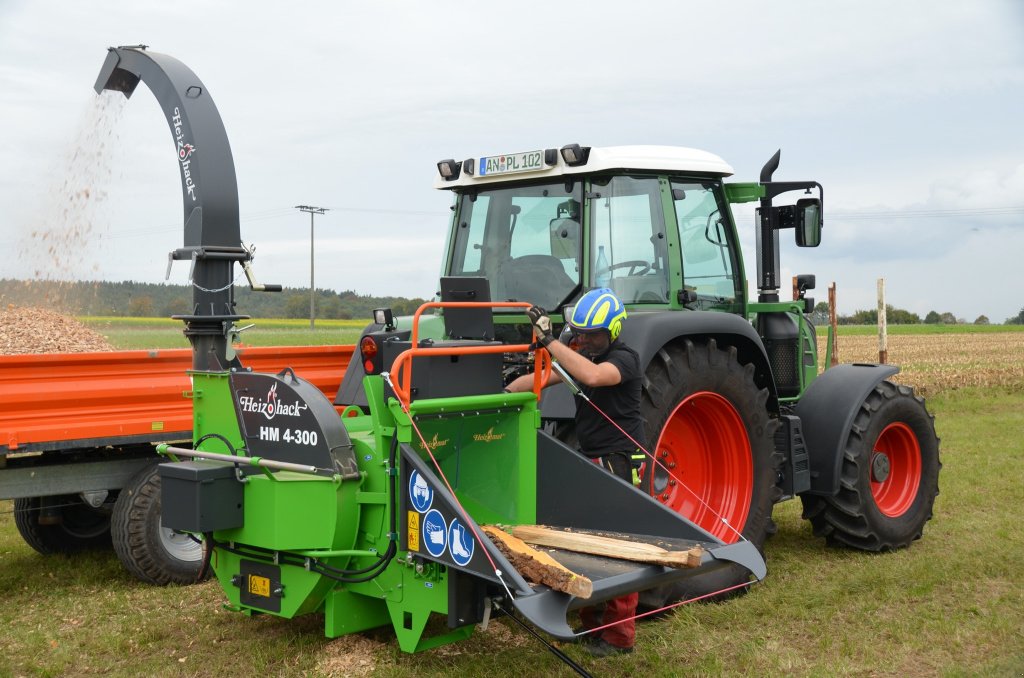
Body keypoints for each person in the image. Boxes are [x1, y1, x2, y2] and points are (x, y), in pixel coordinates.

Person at [505, 287, 646, 658]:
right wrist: (501, 392)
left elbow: (596, 377)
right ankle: (590, 625)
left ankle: (619, 637)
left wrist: (552, 340)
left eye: (594, 334)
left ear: (613, 330)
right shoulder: (582, 355)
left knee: (619, 548)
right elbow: (536, 382)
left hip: (620, 460)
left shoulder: (624, 359)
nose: (586, 340)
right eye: (581, 334)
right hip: (590, 458)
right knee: (583, 542)